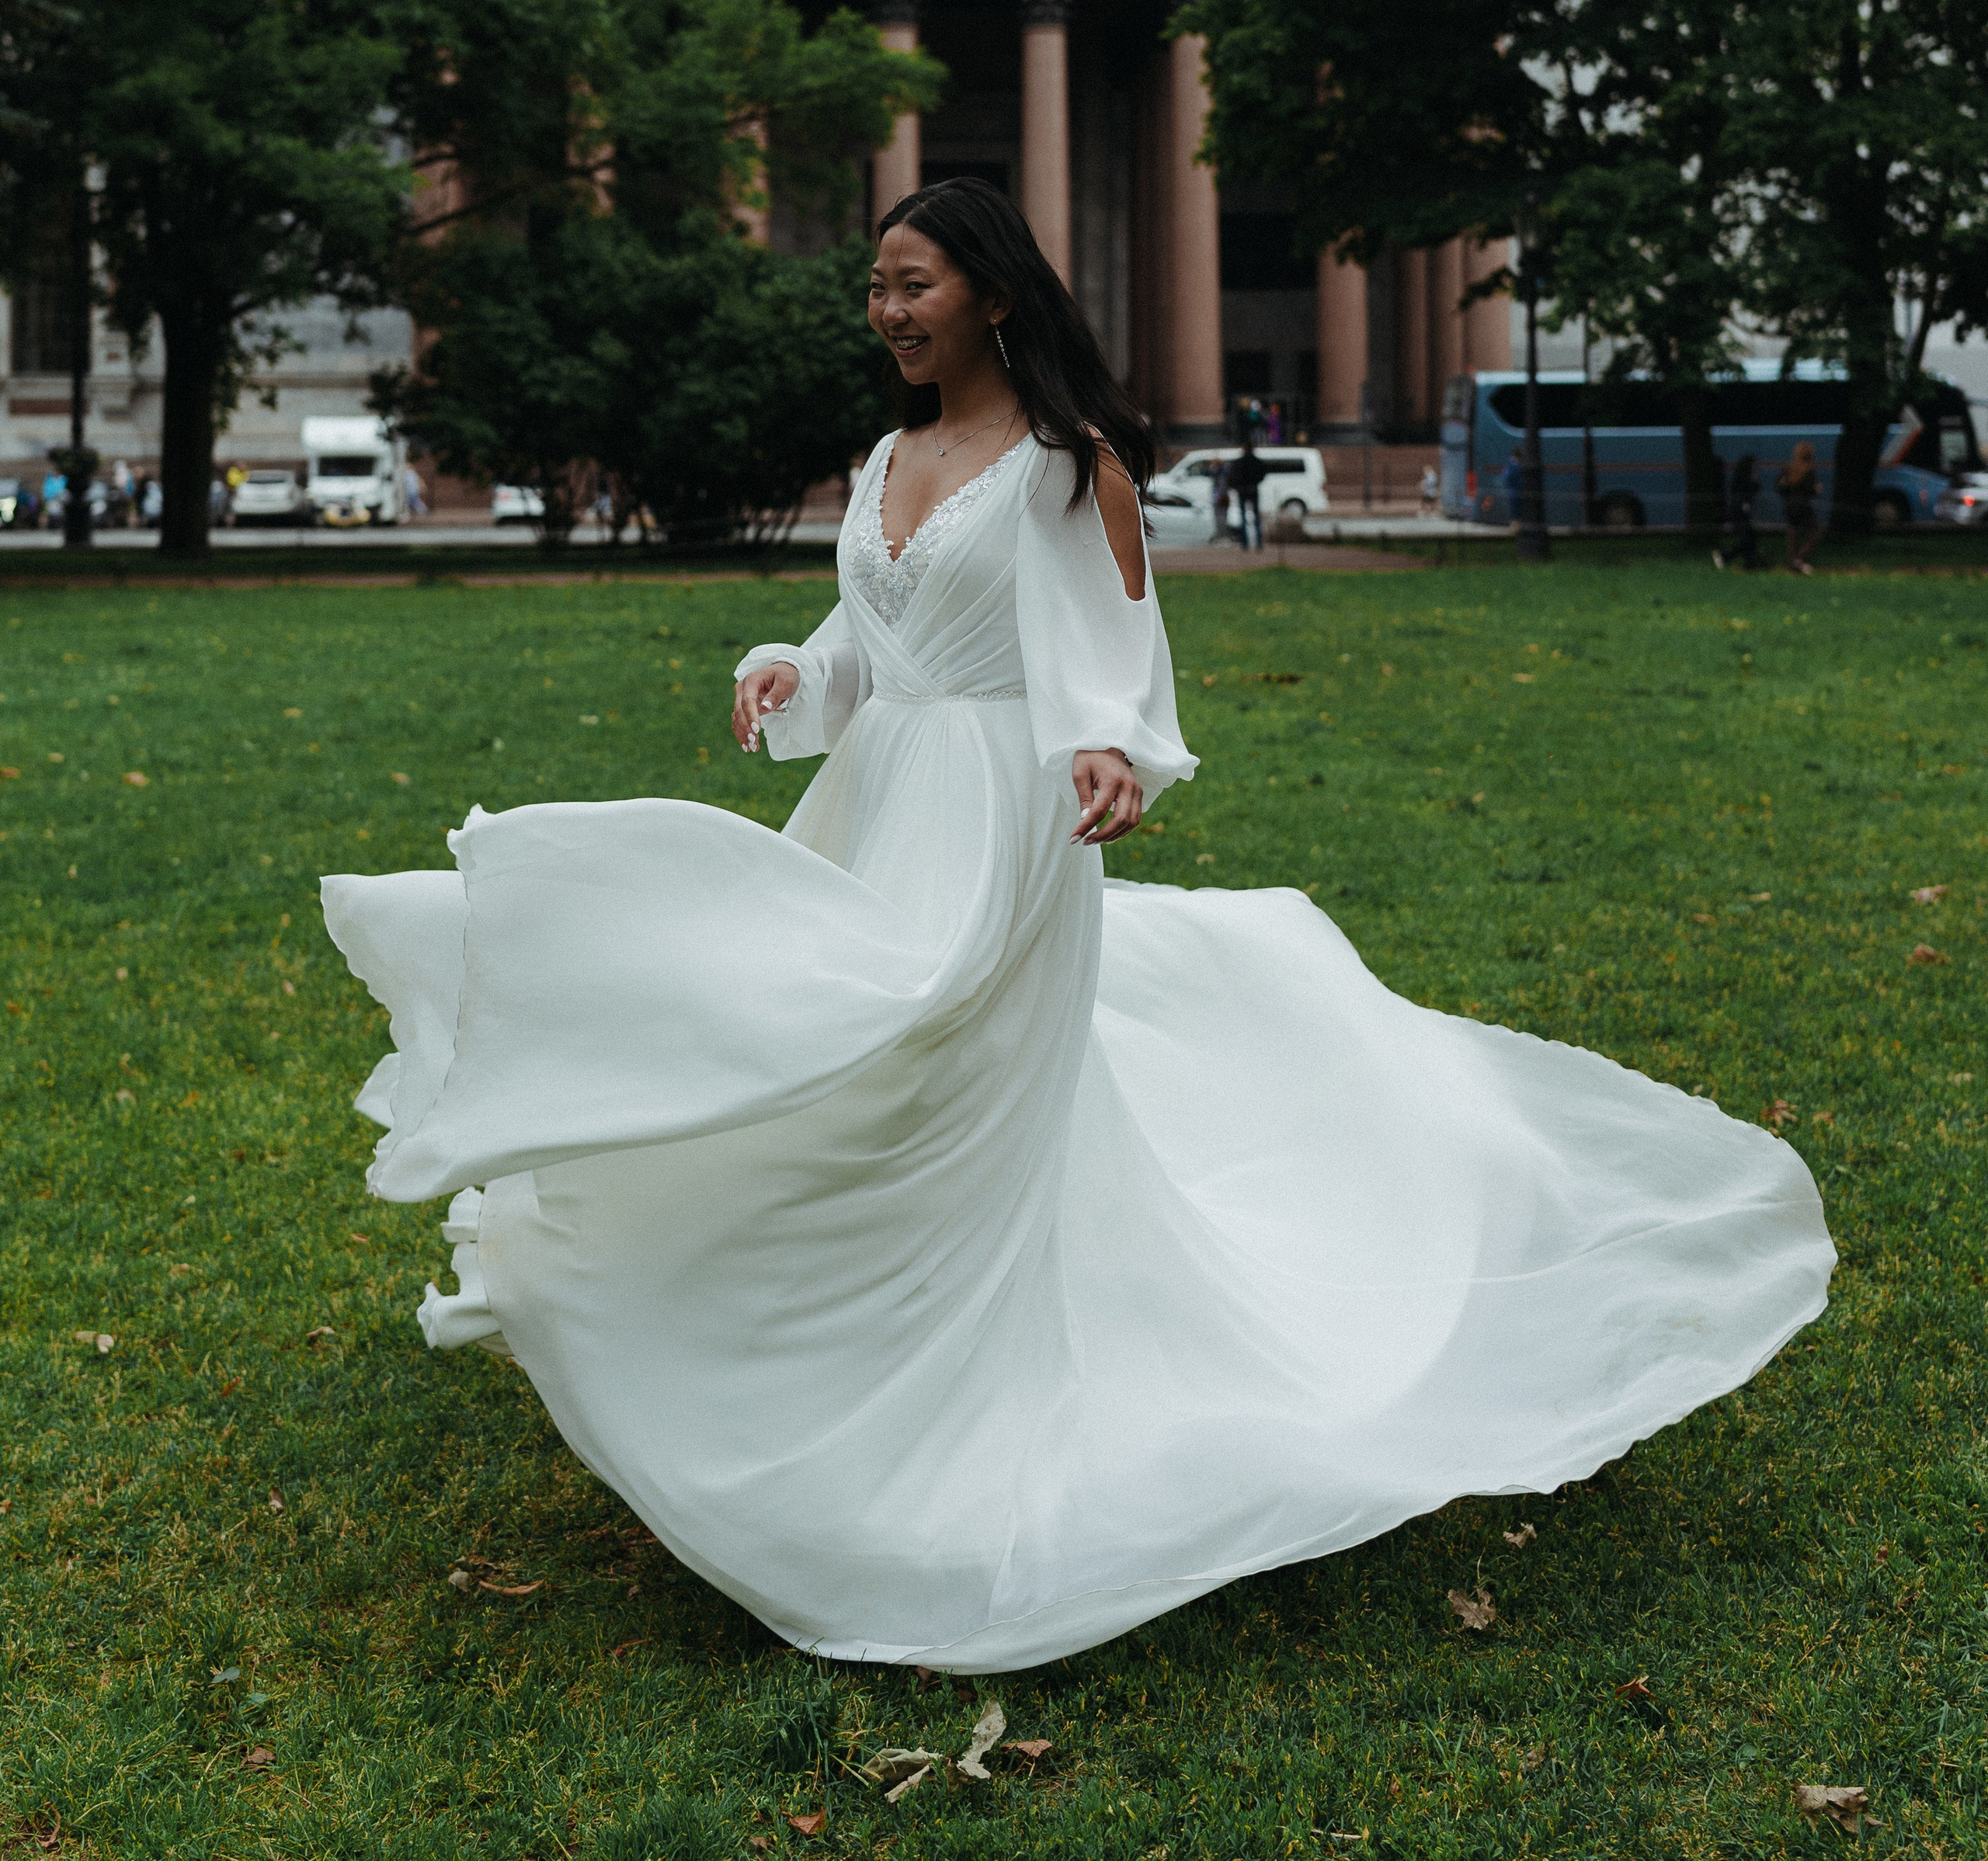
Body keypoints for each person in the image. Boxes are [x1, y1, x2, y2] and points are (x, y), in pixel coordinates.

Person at [321, 179, 1833, 1673]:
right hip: (872, 804)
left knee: (931, 1080)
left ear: (986, 289)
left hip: (1000, 821)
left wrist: (1107, 747)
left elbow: (1114, 657)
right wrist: (793, 668)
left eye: (911, 284)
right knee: (831, 1069)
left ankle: (938, 1447)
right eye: (873, 286)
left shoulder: (1066, 466)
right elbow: (868, 639)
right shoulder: (885, 452)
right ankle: (804, 1373)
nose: (886, 312)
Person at [1779, 439, 1822, 575]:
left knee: (1793, 534)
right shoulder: (1808, 470)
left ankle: (1793, 563)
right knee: (1816, 532)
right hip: (1803, 505)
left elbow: (1780, 487)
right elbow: (1810, 489)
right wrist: (1816, 489)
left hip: (1789, 505)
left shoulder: (1789, 468)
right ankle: (1799, 559)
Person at [1714, 452, 1760, 572]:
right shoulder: (1747, 478)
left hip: (1738, 512)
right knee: (1747, 538)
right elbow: (1751, 492)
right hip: (1740, 512)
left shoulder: (1739, 478)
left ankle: (1749, 562)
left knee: (1747, 538)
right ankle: (1725, 556)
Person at [1229, 439, 1266, 552]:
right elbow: (1263, 474)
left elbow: (1232, 477)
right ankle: (1258, 544)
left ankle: (1245, 544)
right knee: (1256, 517)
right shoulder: (1257, 462)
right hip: (1253, 490)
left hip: (1242, 491)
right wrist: (1255, 483)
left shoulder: (1238, 462)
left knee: (1243, 518)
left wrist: (1237, 486)